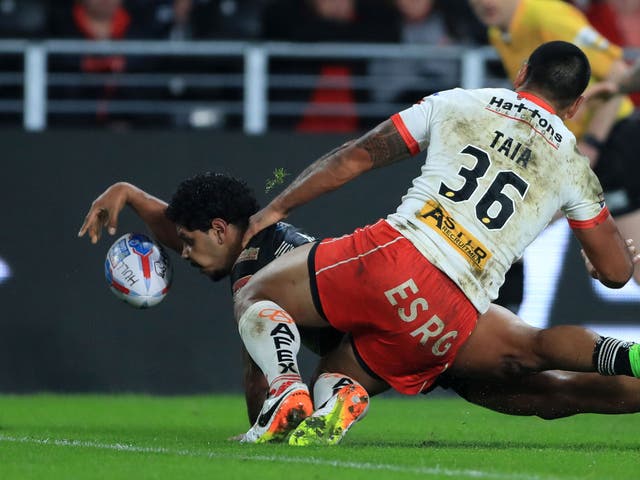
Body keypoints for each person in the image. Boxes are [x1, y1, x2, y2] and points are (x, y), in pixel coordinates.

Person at [231, 41, 639, 446]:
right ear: (576, 106)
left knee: (257, 293)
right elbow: (618, 273)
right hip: (453, 315)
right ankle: (342, 396)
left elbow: (354, 157)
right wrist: (595, 264)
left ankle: (285, 389)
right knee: (339, 373)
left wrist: (276, 208)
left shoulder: (461, 103)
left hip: (396, 254)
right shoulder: (574, 167)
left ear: (522, 72)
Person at [468, 0, 640, 285]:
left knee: (509, 227)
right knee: (508, 229)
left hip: (613, 142)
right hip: (570, 149)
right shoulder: (498, 33)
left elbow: (618, 80)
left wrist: (593, 144)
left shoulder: (548, 16)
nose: (485, 2)